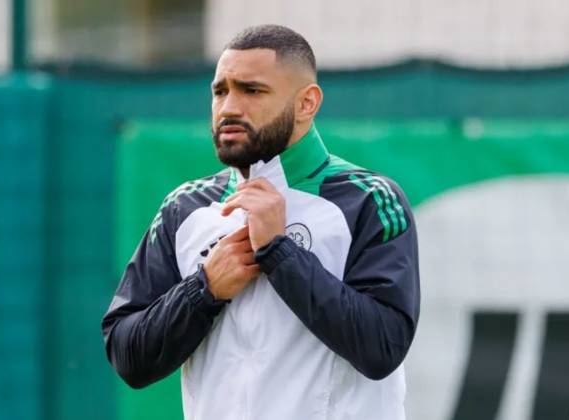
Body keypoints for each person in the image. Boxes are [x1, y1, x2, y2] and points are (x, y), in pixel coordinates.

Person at [102, 24, 420, 420]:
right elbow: (128, 356)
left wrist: (278, 252)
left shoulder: (368, 199)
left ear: (306, 103)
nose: (229, 108)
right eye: (220, 91)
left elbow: (382, 348)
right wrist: (204, 289)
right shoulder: (183, 208)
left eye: (252, 91)